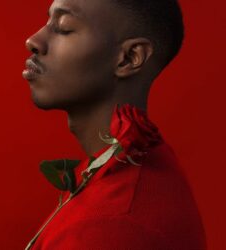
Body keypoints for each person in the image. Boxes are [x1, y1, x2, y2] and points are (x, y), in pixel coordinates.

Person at [22, 0, 206, 249]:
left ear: (128, 58)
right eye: (48, 22)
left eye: (64, 27)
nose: (33, 41)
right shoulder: (134, 163)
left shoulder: (107, 227)